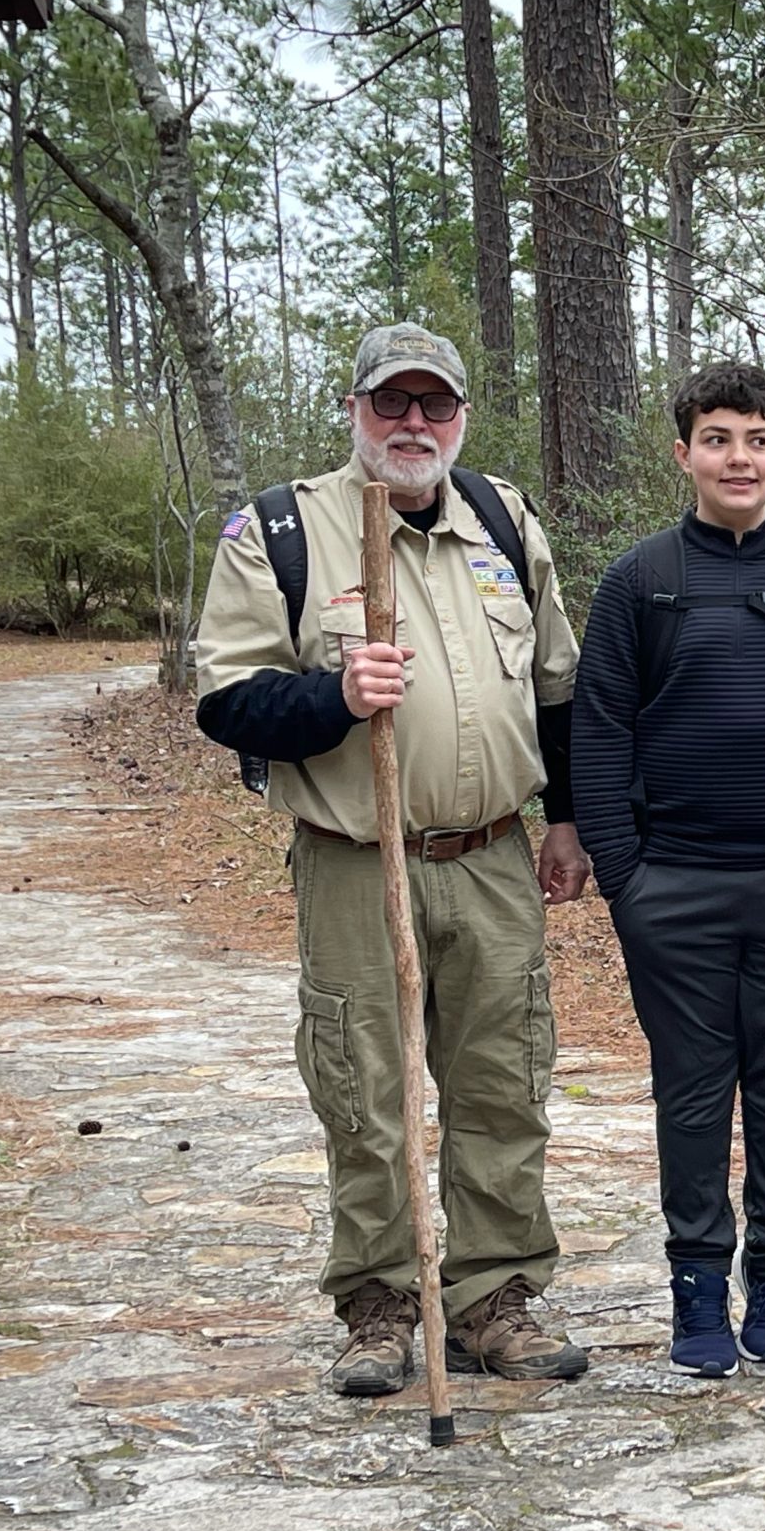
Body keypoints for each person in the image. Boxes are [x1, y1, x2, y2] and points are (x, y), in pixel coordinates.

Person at [195, 322, 591, 1395]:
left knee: (503, 1081)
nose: (414, 425)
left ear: (460, 417)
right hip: (352, 858)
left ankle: (493, 1298)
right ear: (356, 411)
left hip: (492, 855)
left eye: (435, 406)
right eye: (392, 404)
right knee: (363, 1088)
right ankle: (377, 1304)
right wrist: (333, 696)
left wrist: (567, 818)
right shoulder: (280, 531)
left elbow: (558, 686)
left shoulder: (504, 520)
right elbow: (225, 702)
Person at [570, 363, 765, 1376]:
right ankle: (698, 1289)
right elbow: (600, 729)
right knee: (693, 1091)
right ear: (684, 454)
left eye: (756, 438)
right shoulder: (641, 580)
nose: (738, 458)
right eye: (718, 439)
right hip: (675, 888)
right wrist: (626, 877)